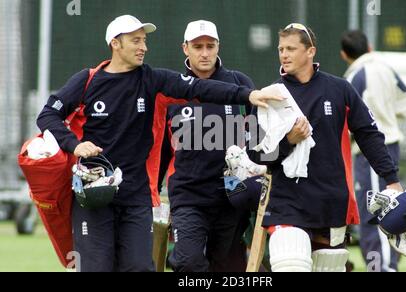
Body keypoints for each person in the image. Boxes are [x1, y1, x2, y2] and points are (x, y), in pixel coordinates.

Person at [36, 15, 281, 272]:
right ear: (115, 44)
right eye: (136, 41)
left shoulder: (153, 79)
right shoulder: (87, 79)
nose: (143, 47)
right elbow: (47, 115)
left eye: (144, 41)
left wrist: (248, 94)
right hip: (93, 196)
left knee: (141, 268)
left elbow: (200, 88)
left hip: (136, 198)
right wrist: (74, 144)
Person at [248, 23, 404, 272]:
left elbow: (369, 135)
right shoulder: (270, 95)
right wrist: (289, 141)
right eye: (280, 49)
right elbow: (256, 154)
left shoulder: (340, 89)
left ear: (310, 52)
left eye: (291, 48)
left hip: (331, 201)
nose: (284, 55)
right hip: (288, 203)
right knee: (291, 266)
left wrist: (391, 180)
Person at [152, 20, 255, 272]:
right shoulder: (173, 88)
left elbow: (258, 136)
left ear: (218, 46)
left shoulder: (239, 82)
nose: (205, 53)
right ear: (185, 48)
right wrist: (153, 188)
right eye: (198, 46)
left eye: (210, 45)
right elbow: (163, 148)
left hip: (233, 195)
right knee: (188, 262)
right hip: (189, 194)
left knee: (226, 267)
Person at [341, 30, 406, 272]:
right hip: (392, 144)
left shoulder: (355, 75)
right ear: (370, 46)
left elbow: (346, 117)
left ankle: (383, 268)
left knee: (375, 211)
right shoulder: (386, 68)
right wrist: (388, 117)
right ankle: (389, 264)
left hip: (369, 150)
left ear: (344, 54)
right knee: (393, 207)